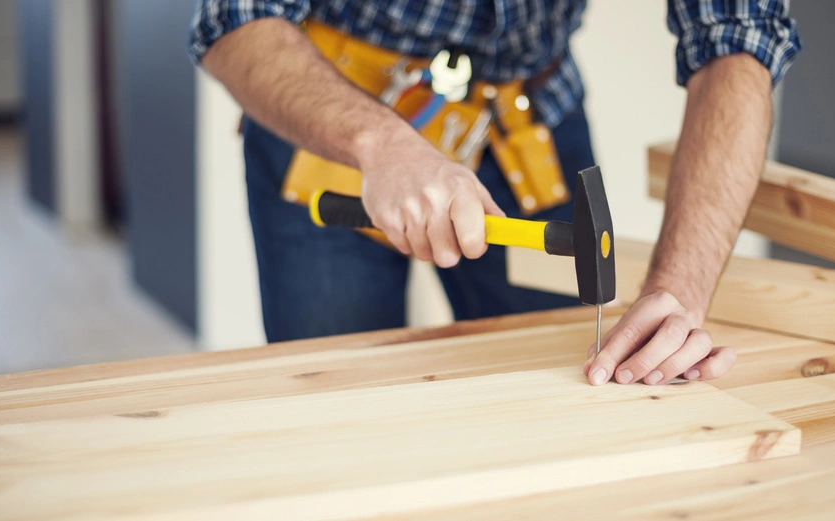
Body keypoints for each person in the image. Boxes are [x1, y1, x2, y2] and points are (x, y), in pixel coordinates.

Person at [189, 1, 801, 386]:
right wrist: (381, 144)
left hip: (526, 119)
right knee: (334, 400)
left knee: (566, 389)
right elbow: (231, 19)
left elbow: (739, 34)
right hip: (335, 119)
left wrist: (680, 290)